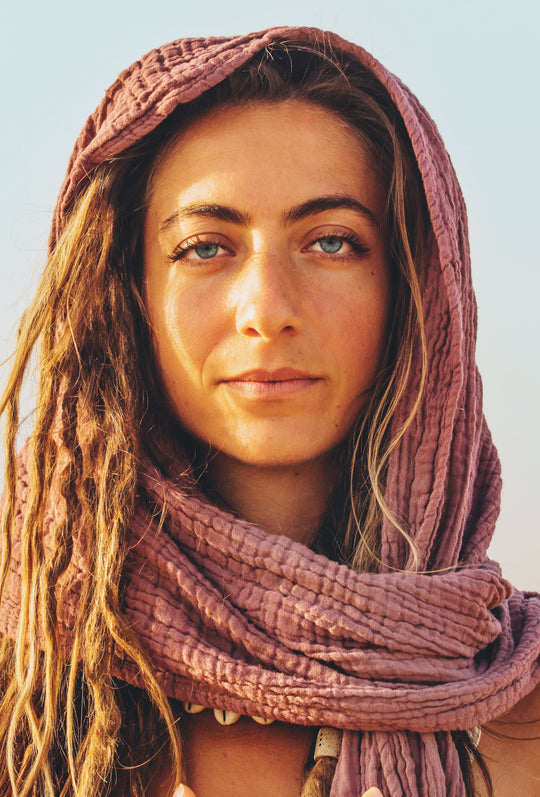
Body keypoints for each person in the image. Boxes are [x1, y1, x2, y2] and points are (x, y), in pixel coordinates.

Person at [0, 26, 539, 797]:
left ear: (414, 288)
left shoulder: (517, 702)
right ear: (131, 292)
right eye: (205, 247)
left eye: (330, 242)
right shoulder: (32, 684)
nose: (268, 309)